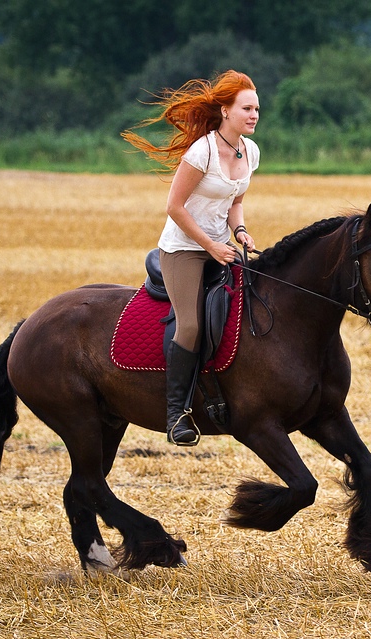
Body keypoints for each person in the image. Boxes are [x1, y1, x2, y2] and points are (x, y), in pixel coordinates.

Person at [122, 70, 259, 446]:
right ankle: (176, 413)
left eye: (257, 109)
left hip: (221, 245)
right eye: (246, 108)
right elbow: (175, 207)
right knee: (192, 326)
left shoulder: (251, 151)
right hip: (183, 248)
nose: (253, 115)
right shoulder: (203, 151)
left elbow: (237, 201)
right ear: (225, 111)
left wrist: (240, 232)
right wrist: (212, 247)